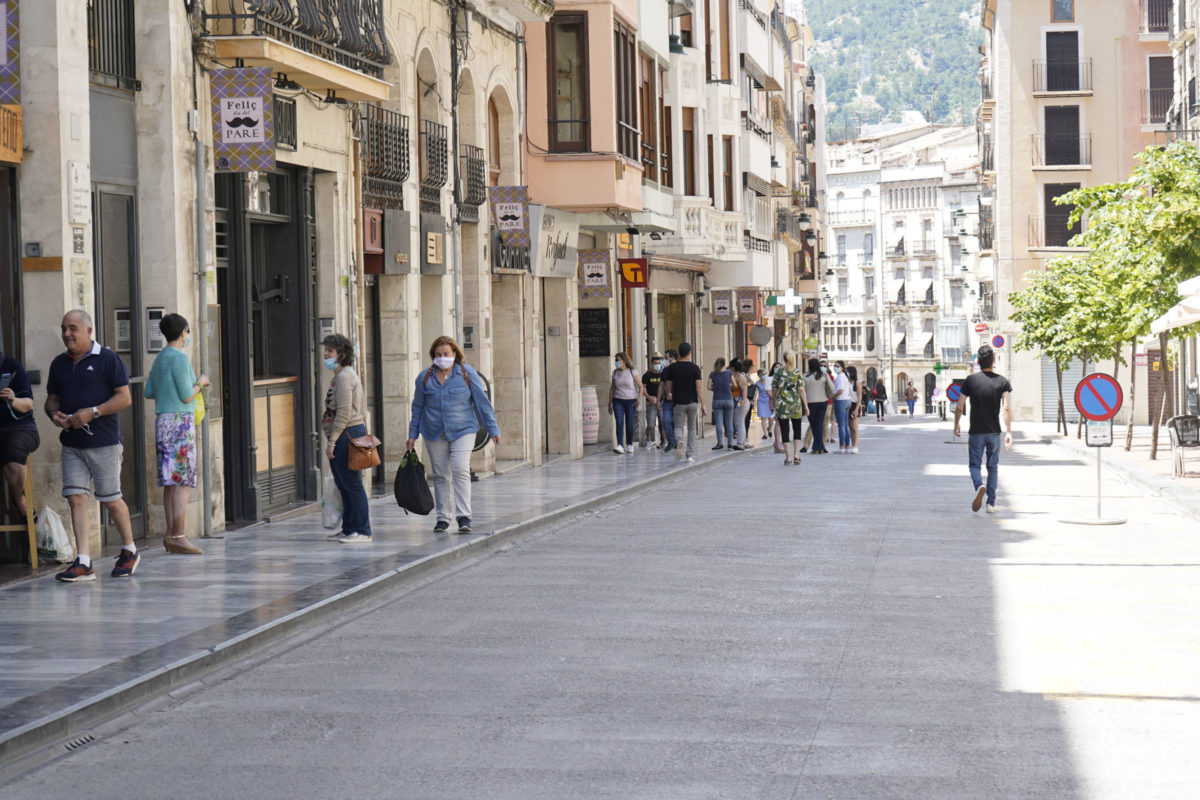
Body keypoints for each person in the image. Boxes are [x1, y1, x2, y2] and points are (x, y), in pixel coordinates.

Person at [45, 310, 138, 582]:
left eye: (72, 328)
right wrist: (54, 415)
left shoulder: (108, 359)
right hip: (72, 443)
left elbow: (125, 398)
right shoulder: (59, 364)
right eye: (63, 328)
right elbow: (51, 399)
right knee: (75, 499)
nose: (66, 334)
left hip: (104, 442)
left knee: (110, 499)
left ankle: (129, 549)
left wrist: (93, 412)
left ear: (89, 330)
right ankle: (84, 561)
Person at [407, 336, 500, 533]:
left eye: (446, 354)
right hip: (434, 431)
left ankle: (464, 516)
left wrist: (493, 429)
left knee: (460, 469)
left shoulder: (467, 374)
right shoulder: (424, 377)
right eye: (438, 355)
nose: (442, 358)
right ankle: (443, 518)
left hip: (463, 429)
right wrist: (412, 434)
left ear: (455, 354)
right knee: (440, 475)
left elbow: (482, 404)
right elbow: (417, 408)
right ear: (433, 356)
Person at [143, 313, 209, 554]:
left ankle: (171, 534)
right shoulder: (180, 359)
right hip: (180, 421)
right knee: (182, 481)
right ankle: (179, 534)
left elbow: (149, 391)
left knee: (171, 482)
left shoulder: (160, 358)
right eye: (187, 331)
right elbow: (186, 394)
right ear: (183, 332)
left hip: (163, 421)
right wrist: (201, 382)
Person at [321, 333, 373, 543]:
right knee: (344, 484)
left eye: (330, 351)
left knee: (351, 485)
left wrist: (332, 441)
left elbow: (343, 413)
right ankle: (349, 527)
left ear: (341, 354)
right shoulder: (340, 375)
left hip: (346, 435)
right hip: (345, 434)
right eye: (326, 350)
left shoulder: (345, 377)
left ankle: (362, 530)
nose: (326, 354)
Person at [954, 346, 1013, 513]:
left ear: (978, 361)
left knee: (974, 465)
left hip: (976, 432)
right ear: (993, 361)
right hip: (994, 432)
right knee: (993, 467)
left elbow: (959, 406)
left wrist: (956, 424)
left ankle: (979, 485)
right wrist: (1008, 431)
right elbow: (1006, 408)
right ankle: (991, 504)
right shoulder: (1002, 382)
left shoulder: (970, 381)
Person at [0, 350, 39, 528]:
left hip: (19, 428)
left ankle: (19, 500)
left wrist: (12, 399)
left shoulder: (11, 367)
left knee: (13, 454)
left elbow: (28, 405)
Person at [662, 341, 705, 462]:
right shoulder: (695, 368)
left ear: (679, 353)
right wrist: (703, 404)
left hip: (678, 402)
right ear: (690, 353)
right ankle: (689, 454)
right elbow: (699, 388)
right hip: (692, 402)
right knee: (691, 428)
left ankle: (679, 442)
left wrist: (668, 393)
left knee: (678, 427)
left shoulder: (672, 368)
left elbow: (667, 385)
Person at [769, 353, 809, 465]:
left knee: (785, 430)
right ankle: (796, 454)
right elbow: (801, 389)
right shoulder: (796, 372)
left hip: (782, 405)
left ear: (784, 359)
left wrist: (773, 401)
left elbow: (774, 388)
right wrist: (805, 405)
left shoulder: (779, 372)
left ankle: (788, 457)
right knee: (797, 429)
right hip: (795, 405)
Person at [607, 351, 641, 454]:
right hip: (618, 400)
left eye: (618, 360)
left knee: (629, 423)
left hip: (631, 401)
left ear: (624, 361)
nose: (616, 362)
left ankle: (630, 444)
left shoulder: (632, 371)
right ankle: (620, 445)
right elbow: (612, 388)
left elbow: (640, 387)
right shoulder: (615, 373)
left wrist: (639, 399)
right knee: (619, 422)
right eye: (615, 360)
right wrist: (609, 402)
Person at [803, 358, 835, 455]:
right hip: (823, 402)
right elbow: (832, 387)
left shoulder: (805, 376)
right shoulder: (823, 375)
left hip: (810, 403)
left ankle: (817, 447)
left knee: (814, 425)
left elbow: (801, 390)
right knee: (819, 424)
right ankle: (819, 447)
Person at [707, 357, 734, 450]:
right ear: (724, 364)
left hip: (717, 400)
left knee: (719, 423)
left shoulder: (712, 374)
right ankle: (730, 443)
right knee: (729, 423)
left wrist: (716, 388)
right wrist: (728, 387)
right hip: (728, 400)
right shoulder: (729, 373)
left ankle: (720, 443)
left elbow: (708, 387)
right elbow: (735, 385)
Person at [640, 353, 664, 450]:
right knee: (651, 424)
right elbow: (643, 389)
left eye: (658, 363)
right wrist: (649, 397)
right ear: (651, 363)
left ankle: (664, 441)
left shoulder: (662, 374)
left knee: (663, 422)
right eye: (655, 363)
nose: (657, 365)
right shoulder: (647, 375)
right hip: (651, 403)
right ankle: (648, 440)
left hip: (661, 402)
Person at [832, 360, 853, 453]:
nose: (835, 367)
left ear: (842, 367)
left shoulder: (840, 377)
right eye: (834, 365)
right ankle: (847, 446)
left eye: (837, 366)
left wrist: (833, 397)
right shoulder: (845, 376)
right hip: (847, 400)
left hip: (841, 400)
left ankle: (842, 447)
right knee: (845, 425)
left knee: (841, 425)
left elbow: (840, 390)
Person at [660, 349, 678, 453]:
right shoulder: (665, 370)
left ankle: (676, 441)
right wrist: (658, 399)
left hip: (678, 400)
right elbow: (662, 385)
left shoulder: (679, 368)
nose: (665, 360)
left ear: (672, 358)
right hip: (667, 400)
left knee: (676, 422)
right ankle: (671, 441)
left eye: (666, 358)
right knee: (666, 421)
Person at [730, 358, 750, 450]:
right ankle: (741, 442)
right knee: (738, 423)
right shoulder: (733, 376)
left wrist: (743, 401)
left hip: (740, 402)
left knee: (739, 423)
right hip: (736, 402)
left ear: (733, 368)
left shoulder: (741, 377)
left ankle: (740, 443)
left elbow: (744, 390)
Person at [846, 365, 863, 454]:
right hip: (847, 404)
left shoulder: (857, 383)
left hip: (855, 404)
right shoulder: (847, 382)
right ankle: (852, 445)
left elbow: (860, 397)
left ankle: (856, 446)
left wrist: (856, 409)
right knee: (850, 427)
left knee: (855, 427)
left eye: (847, 371)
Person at [755, 365, 774, 441]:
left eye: (765, 373)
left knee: (771, 417)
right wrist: (754, 403)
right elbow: (755, 393)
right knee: (763, 418)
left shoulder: (770, 381)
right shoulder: (757, 383)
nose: (764, 375)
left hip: (769, 400)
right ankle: (765, 434)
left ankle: (769, 429)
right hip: (761, 401)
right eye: (762, 374)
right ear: (759, 375)